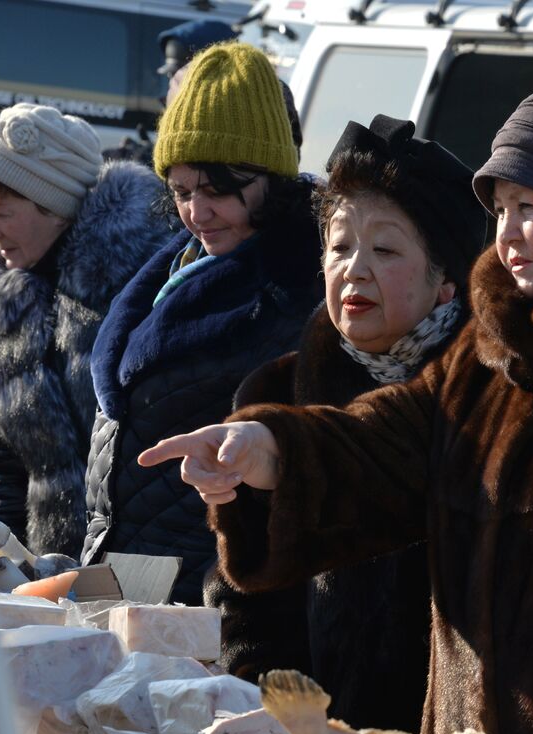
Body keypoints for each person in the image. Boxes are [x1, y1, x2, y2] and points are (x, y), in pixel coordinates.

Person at [139, 86, 533, 734]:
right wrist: (265, 449)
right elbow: (378, 447)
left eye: (529, 207)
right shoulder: (486, 360)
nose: (506, 232)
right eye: (501, 209)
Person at [204, 114, 486, 732]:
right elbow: (242, 595)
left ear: (447, 282)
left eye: (384, 249)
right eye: (339, 246)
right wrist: (275, 708)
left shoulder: (485, 398)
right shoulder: (277, 392)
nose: (354, 270)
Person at [82, 42, 323, 605]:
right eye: (182, 191)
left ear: (273, 177)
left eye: (218, 190)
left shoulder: (300, 289)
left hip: (215, 598)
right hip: (126, 575)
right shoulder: (180, 259)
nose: (197, 212)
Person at [0, 103, 170, 558]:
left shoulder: (138, 288)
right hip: (47, 575)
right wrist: (3, 561)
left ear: (55, 207)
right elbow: (4, 455)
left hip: (139, 571)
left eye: (1, 213)